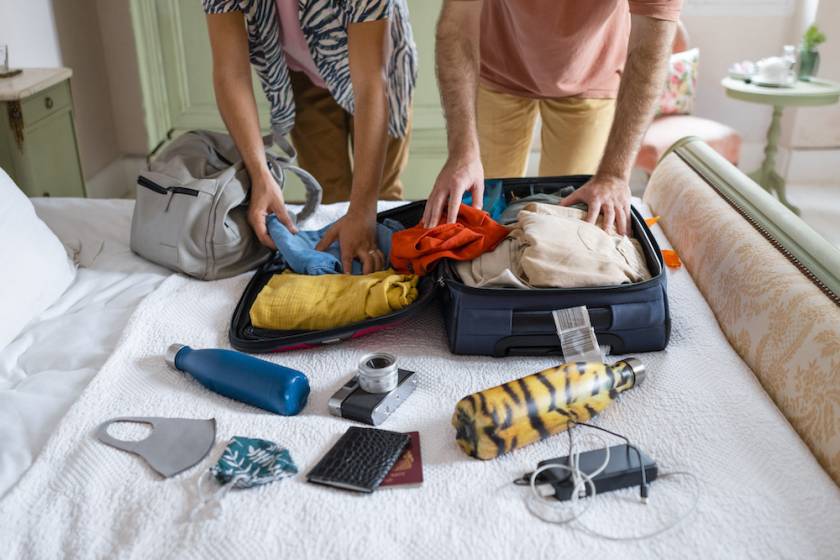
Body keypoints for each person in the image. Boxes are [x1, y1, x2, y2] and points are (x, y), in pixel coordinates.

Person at [425, 0, 681, 235]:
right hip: (497, 65)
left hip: (593, 72)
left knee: (570, 224)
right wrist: (461, 153)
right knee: (480, 215)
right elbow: (456, 27)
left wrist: (614, 174)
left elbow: (650, 48)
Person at [203, 0, 417, 274]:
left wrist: (364, 211)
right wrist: (260, 174)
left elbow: (370, 85)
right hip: (303, 74)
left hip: (380, 69)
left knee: (380, 200)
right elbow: (230, 72)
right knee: (331, 198)